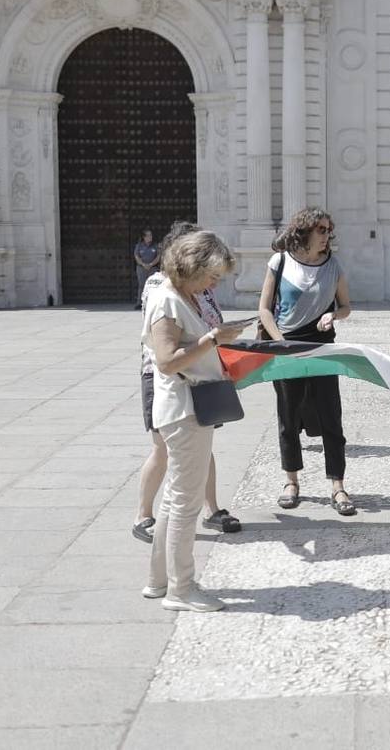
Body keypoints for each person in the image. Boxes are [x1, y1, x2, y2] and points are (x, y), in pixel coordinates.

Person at [142, 230, 247, 612]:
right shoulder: (167, 300)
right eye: (211, 275)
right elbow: (167, 361)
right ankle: (181, 589)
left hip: (185, 408)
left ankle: (159, 580)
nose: (214, 284)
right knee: (186, 504)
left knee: (175, 499)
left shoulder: (182, 296)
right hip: (184, 410)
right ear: (192, 266)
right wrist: (212, 340)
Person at [257, 207, 357, 516]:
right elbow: (264, 309)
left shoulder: (333, 265)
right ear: (305, 231)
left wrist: (332, 314)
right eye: (322, 230)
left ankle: (338, 485)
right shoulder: (280, 261)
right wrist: (280, 341)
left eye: (329, 230)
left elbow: (346, 307)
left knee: (331, 415)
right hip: (286, 345)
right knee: (289, 415)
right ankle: (291, 482)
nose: (327, 236)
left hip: (322, 346)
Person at [133, 229, 160, 309]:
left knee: (153, 285)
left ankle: (153, 302)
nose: (150, 237)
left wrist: (151, 264)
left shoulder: (155, 246)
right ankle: (140, 303)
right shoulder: (139, 246)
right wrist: (143, 264)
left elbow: (158, 256)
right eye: (148, 235)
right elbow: (136, 256)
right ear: (144, 237)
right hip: (141, 268)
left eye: (151, 235)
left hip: (152, 268)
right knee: (142, 285)